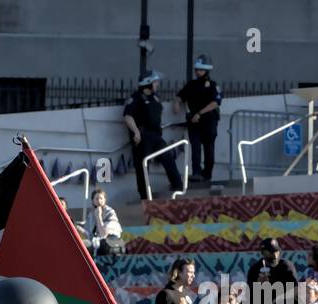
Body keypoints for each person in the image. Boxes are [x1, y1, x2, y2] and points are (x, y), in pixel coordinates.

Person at [124, 70, 183, 201]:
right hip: (143, 137)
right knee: (142, 167)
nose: (157, 84)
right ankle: (145, 197)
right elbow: (128, 117)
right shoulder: (136, 98)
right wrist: (136, 132)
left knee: (167, 157)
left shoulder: (155, 98)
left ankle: (178, 186)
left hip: (156, 135)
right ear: (148, 84)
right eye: (155, 82)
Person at [175, 53, 222, 183]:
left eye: (200, 69)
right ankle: (196, 173)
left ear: (206, 70)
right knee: (195, 148)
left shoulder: (212, 85)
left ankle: (207, 174)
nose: (197, 72)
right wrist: (177, 103)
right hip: (194, 123)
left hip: (208, 121)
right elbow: (181, 95)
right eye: (196, 69)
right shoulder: (191, 85)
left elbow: (215, 103)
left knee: (209, 149)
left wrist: (200, 114)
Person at [85, 188, 124, 256]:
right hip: (95, 242)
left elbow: (104, 234)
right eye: (96, 199)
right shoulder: (90, 215)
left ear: (105, 200)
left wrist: (98, 217)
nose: (99, 201)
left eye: (101, 198)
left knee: (103, 244)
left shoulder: (110, 212)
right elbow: (89, 234)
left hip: (112, 241)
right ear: (93, 201)